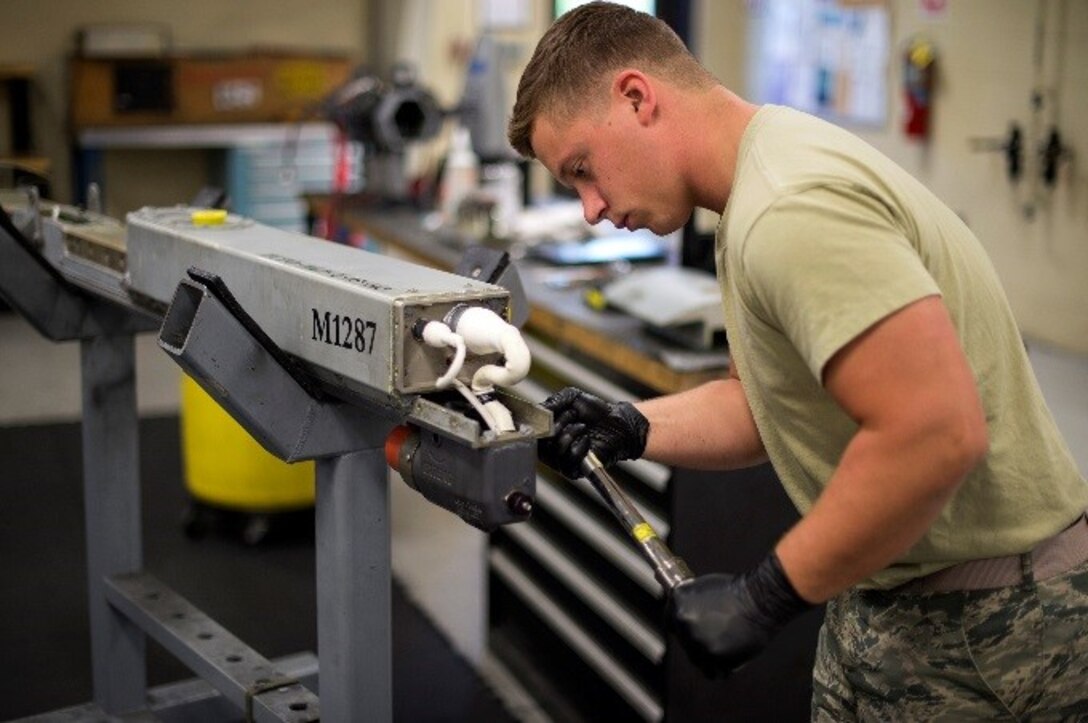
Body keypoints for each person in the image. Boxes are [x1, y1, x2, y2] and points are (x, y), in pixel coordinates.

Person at [507, 2, 1088, 719]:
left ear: (636, 97)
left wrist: (764, 596)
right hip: (893, 594)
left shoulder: (789, 206)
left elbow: (936, 430)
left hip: (986, 627)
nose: (590, 207)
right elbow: (762, 403)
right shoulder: (757, 183)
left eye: (583, 169)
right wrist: (632, 425)